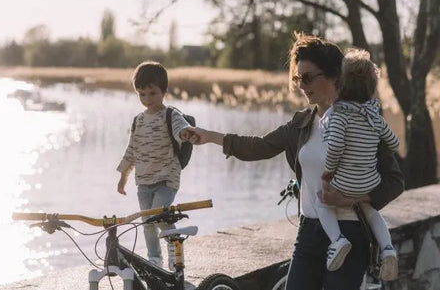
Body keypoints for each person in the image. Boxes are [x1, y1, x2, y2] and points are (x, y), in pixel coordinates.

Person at [186, 33, 404, 290]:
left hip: (350, 231)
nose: (301, 85)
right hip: (309, 232)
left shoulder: (361, 120)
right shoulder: (303, 122)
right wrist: (210, 136)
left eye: (308, 77)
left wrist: (352, 199)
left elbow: (395, 181)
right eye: (298, 78)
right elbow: (260, 146)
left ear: (335, 76)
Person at [316, 48, 399, 280]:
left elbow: (335, 147)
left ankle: (338, 241)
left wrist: (327, 173)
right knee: (371, 211)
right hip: (370, 183)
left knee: (320, 201)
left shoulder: (340, 115)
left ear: (342, 84)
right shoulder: (374, 115)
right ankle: (388, 249)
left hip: (345, 183)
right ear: (372, 87)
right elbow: (394, 143)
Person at [116, 61, 192, 270]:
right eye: (142, 94)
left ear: (163, 91)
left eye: (152, 93)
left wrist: (184, 134)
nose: (147, 99)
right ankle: (154, 259)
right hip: (144, 181)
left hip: (166, 178)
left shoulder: (170, 115)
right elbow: (131, 150)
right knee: (148, 223)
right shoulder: (138, 121)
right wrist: (124, 175)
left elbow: (180, 128)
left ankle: (174, 247)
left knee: (160, 218)